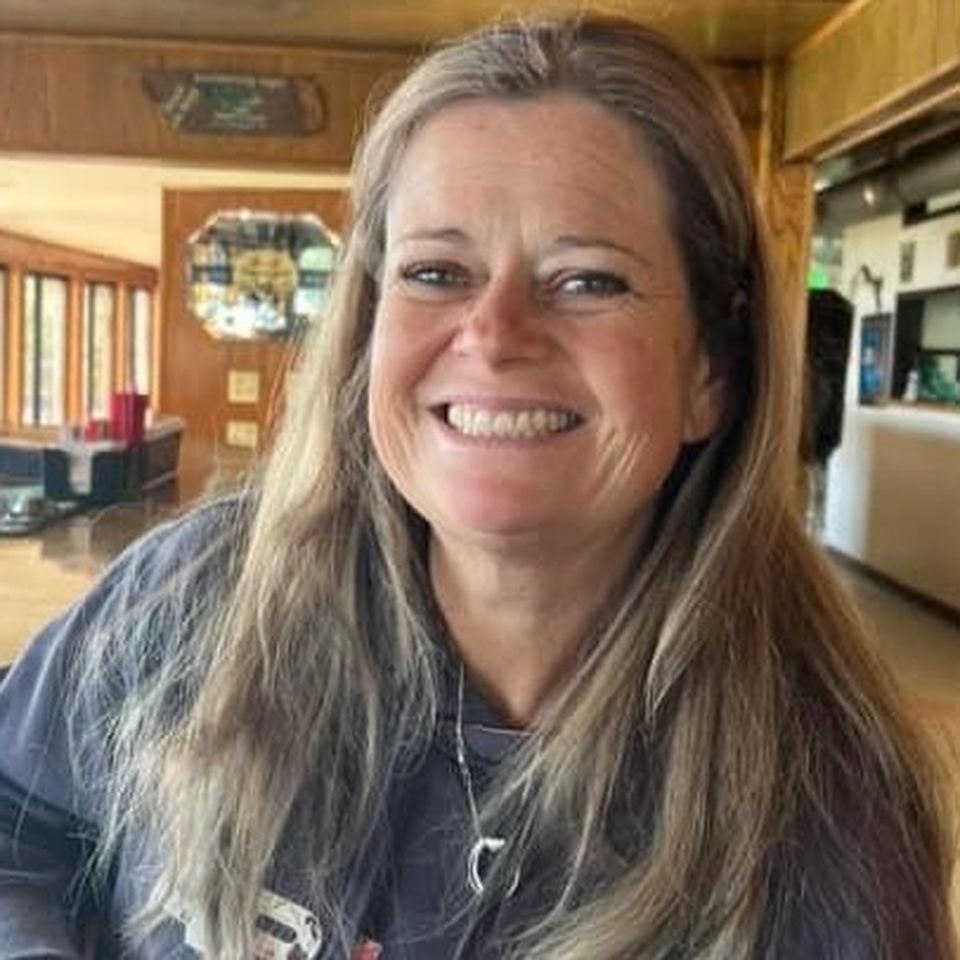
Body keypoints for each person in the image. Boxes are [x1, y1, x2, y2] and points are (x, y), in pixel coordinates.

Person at [0, 15, 954, 960]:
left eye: (587, 281)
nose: (494, 334)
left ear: (712, 367)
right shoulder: (195, 591)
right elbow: (17, 814)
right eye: (435, 271)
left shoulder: (832, 822)